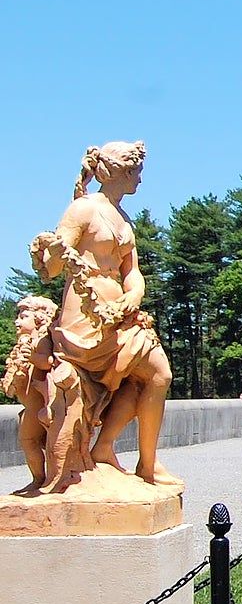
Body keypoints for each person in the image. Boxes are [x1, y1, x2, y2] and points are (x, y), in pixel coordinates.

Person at [30, 141, 177, 484]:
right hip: (85, 316)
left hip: (121, 314)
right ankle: (112, 454)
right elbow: (53, 267)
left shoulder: (123, 217)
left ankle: (134, 458)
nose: (139, 179)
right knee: (152, 375)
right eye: (135, 172)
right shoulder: (83, 209)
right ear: (117, 172)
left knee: (159, 375)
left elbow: (132, 270)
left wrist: (135, 293)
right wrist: (49, 251)